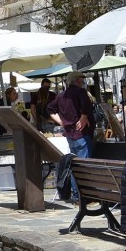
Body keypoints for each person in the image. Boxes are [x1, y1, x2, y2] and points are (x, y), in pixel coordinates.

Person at [47, 71, 95, 200]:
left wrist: (62, 122)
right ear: (77, 80)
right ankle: (83, 195)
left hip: (70, 134)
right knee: (83, 165)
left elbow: (50, 109)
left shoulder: (61, 96)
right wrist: (84, 116)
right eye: (82, 78)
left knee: (74, 165)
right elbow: (86, 105)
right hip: (81, 134)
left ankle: (76, 194)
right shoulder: (81, 92)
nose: (84, 81)